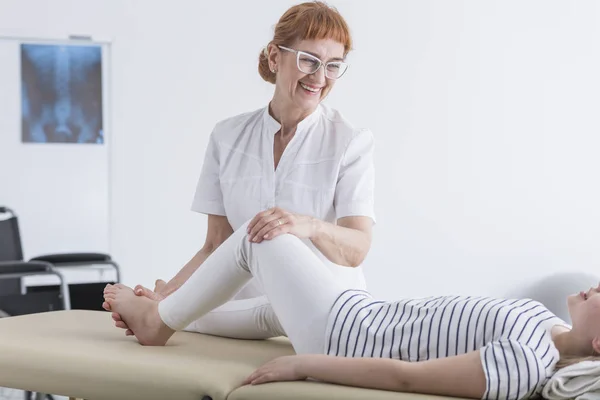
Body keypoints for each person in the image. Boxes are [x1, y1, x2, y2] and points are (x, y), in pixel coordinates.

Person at [107, 1, 376, 339]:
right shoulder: (227, 136)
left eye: (333, 65)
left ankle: (159, 316)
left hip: (323, 306)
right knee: (244, 273)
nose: (320, 77)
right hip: (245, 315)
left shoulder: (350, 141)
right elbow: (215, 246)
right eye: (309, 60)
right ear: (275, 56)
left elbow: (357, 249)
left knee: (266, 279)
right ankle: (162, 310)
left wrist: (306, 225)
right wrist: (167, 292)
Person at [103, 221, 597, 400]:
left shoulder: (527, 361)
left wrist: (304, 363)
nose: (595, 288)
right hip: (360, 313)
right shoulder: (545, 323)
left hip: (343, 338)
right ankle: (169, 306)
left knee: (264, 237)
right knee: (273, 312)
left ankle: (156, 322)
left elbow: (409, 377)